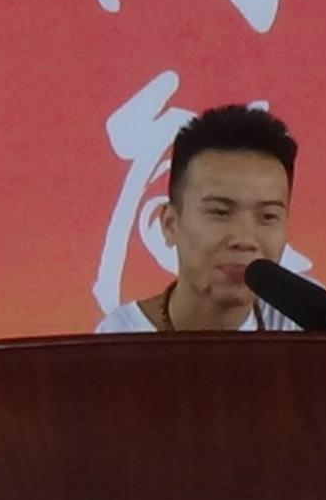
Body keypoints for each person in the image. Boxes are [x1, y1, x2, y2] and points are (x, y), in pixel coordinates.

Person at [95, 104, 305, 332]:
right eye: (220, 212)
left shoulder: (303, 328)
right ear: (170, 224)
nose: (244, 240)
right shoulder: (120, 336)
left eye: (267, 216)